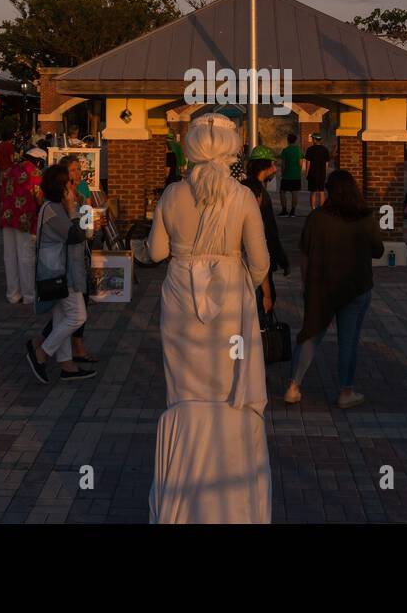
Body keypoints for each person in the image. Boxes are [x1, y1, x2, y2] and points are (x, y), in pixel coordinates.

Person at [145, 113, 271, 523]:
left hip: (181, 296)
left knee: (183, 394)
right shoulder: (244, 197)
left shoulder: (172, 195)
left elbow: (157, 253)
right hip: (231, 301)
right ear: (231, 151)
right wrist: (240, 286)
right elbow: (261, 262)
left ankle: (183, 494)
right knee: (230, 396)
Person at [286, 169, 384, 409]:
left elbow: (305, 255)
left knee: (310, 334)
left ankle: (293, 386)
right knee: (348, 341)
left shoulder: (317, 218)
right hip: (356, 286)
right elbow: (378, 250)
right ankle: (345, 391)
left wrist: (305, 283)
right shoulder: (365, 218)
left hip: (321, 285)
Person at [26, 164, 97, 384]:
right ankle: (42, 353)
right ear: (61, 186)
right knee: (77, 316)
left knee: (61, 318)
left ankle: (67, 365)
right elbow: (75, 235)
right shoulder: (53, 209)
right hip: (61, 273)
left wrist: (85, 210)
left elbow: (86, 233)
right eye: (70, 180)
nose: (74, 183)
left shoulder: (60, 207)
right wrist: (75, 208)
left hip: (65, 271)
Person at [243, 147, 288, 319]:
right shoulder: (254, 191)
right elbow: (261, 233)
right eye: (273, 165)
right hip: (257, 262)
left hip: (258, 260)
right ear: (265, 166)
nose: (276, 169)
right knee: (261, 312)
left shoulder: (251, 187)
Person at [0, 147, 43, 305]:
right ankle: (29, 295)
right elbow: (39, 199)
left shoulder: (10, 170)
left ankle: (13, 294)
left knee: (9, 256)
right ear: (38, 160)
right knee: (26, 257)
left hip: (7, 217)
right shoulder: (36, 173)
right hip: (25, 219)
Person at [279, 133, 303, 217]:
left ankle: (284, 210)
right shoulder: (298, 150)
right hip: (296, 175)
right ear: (295, 140)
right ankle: (293, 211)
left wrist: (282, 173)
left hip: (286, 175)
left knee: (282, 192)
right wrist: (298, 171)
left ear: (288, 140)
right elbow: (300, 164)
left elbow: (283, 164)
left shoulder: (285, 150)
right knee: (294, 193)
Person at [304, 133, 331, 209]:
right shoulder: (325, 150)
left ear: (315, 140)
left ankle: (313, 208)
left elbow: (308, 163)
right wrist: (325, 173)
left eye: (313, 139)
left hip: (312, 173)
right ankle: (322, 208)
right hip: (322, 173)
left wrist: (306, 173)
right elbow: (326, 164)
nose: (312, 140)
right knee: (322, 192)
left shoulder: (310, 149)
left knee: (313, 192)